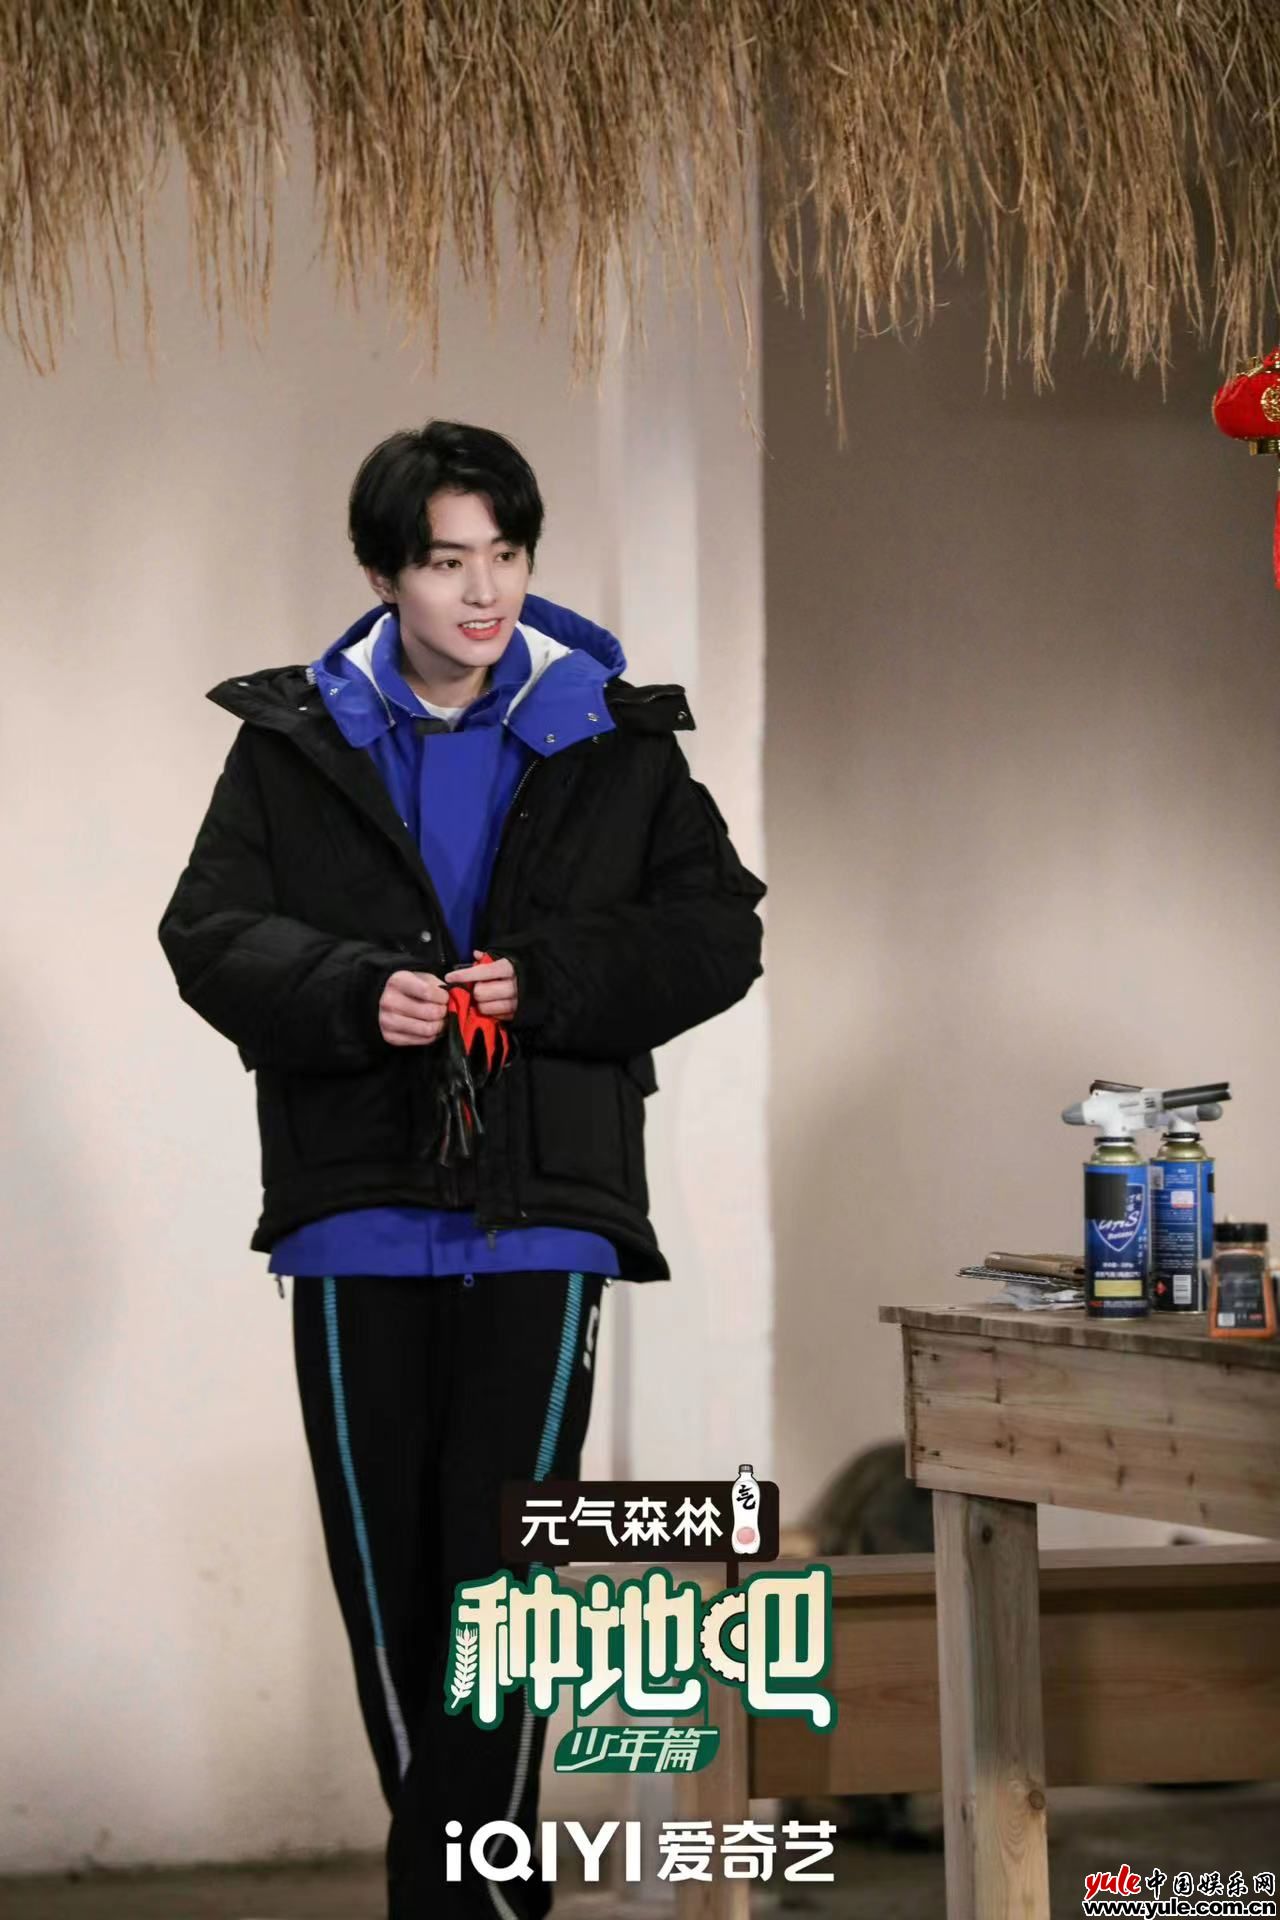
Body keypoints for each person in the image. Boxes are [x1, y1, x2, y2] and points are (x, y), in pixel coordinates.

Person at [157, 419, 766, 1917]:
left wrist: (547, 981)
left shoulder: (616, 738)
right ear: (385, 576)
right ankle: (481, 1888)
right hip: (352, 1209)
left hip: (545, 1211)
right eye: (446, 562)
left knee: (506, 1582)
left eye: (506, 555)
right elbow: (208, 933)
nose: (484, 591)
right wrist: (351, 991)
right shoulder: (293, 740)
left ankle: (457, 1896)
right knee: (392, 1581)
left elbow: (716, 933)